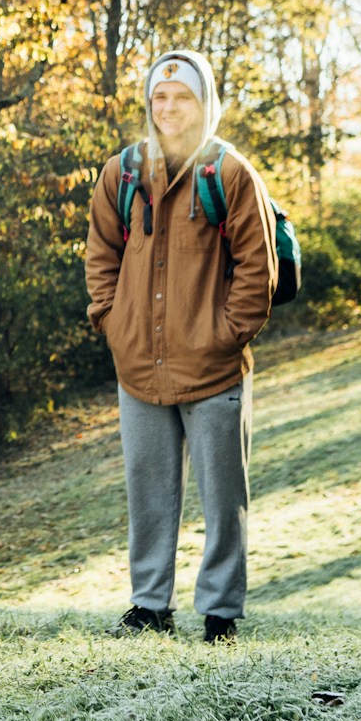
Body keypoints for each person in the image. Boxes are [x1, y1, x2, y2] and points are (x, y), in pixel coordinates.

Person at [83, 51, 276, 643]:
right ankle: (149, 606)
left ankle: (220, 612)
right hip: (138, 363)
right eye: (160, 97)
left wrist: (225, 336)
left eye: (183, 97)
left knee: (224, 499)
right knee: (148, 493)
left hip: (213, 367)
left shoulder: (230, 174)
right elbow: (100, 257)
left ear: (204, 103)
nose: (169, 108)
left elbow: (256, 269)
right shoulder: (122, 174)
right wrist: (112, 323)